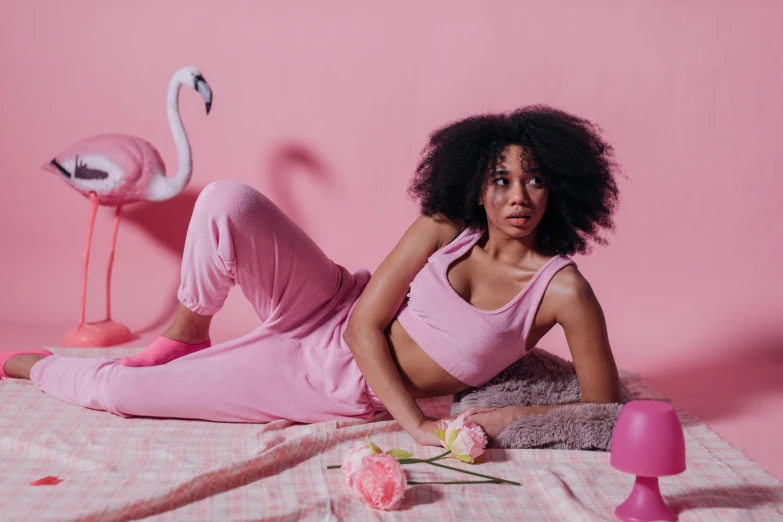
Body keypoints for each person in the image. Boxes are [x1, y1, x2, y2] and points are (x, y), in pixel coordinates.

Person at [1, 105, 623, 447]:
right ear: (477, 189)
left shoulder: (563, 291)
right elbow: (362, 323)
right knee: (225, 200)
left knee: (124, 395)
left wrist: (509, 420)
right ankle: (188, 332)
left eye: (535, 179)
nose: (518, 197)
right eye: (501, 180)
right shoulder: (444, 225)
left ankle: (36, 367)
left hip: (332, 381)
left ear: (559, 190)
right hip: (335, 307)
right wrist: (420, 425)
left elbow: (604, 409)